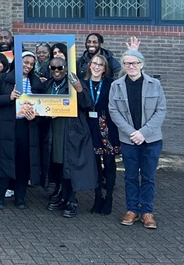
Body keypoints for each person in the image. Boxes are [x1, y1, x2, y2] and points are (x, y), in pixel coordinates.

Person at [109, 47, 167, 229]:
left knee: (148, 177)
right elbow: (113, 111)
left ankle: (147, 212)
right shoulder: (116, 85)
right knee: (130, 176)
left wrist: (143, 133)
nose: (131, 66)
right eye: (127, 63)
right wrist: (131, 133)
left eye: (134, 62)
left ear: (141, 64)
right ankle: (132, 209)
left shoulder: (154, 85)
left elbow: (161, 110)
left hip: (151, 140)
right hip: (129, 140)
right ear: (124, 66)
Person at [0, 50, 46, 209]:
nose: (28, 66)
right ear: (18, 62)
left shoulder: (37, 83)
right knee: (5, 161)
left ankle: (20, 198)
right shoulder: (3, 79)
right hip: (6, 127)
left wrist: (35, 116)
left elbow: (43, 107)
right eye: (25, 62)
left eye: (31, 64)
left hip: (26, 127)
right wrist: (9, 97)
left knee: (23, 163)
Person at [44, 57, 97, 218]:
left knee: (71, 165)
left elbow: (88, 104)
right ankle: (62, 196)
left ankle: (72, 200)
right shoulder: (49, 84)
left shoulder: (75, 82)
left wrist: (79, 89)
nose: (57, 70)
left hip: (72, 130)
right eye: (53, 68)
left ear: (66, 68)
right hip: (55, 130)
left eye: (60, 67)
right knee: (59, 164)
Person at [85, 53, 119, 215]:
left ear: (105, 69)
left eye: (101, 65)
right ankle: (97, 197)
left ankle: (109, 197)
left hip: (107, 128)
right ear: (89, 65)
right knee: (95, 165)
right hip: (89, 128)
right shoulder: (83, 83)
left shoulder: (111, 84)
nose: (97, 67)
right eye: (94, 63)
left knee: (110, 164)